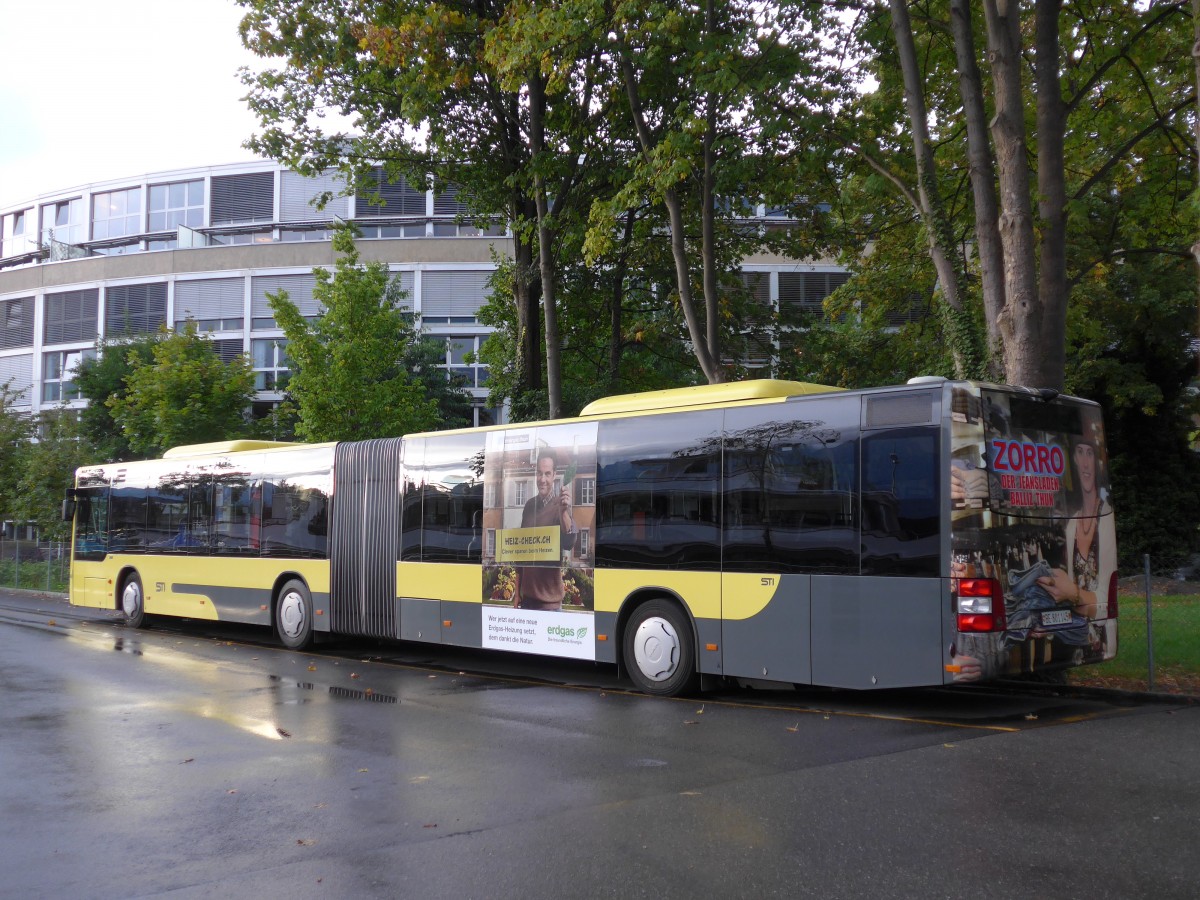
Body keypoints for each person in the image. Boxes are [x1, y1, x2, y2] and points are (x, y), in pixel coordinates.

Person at [1036, 436, 1117, 646]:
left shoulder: (1106, 517)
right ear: (1073, 460)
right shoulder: (1071, 524)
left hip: (1102, 637)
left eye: (1089, 453)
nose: (1085, 462)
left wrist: (1072, 594)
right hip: (1077, 638)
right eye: (1079, 452)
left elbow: (1105, 602)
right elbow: (1070, 599)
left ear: (1097, 462)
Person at [514, 450, 577, 610]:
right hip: (527, 601)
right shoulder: (528, 506)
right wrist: (517, 593)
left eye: (547, 474)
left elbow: (569, 542)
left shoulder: (561, 506)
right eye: (539, 473)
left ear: (554, 475)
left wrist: (563, 512)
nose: (543, 479)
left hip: (551, 605)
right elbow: (521, 554)